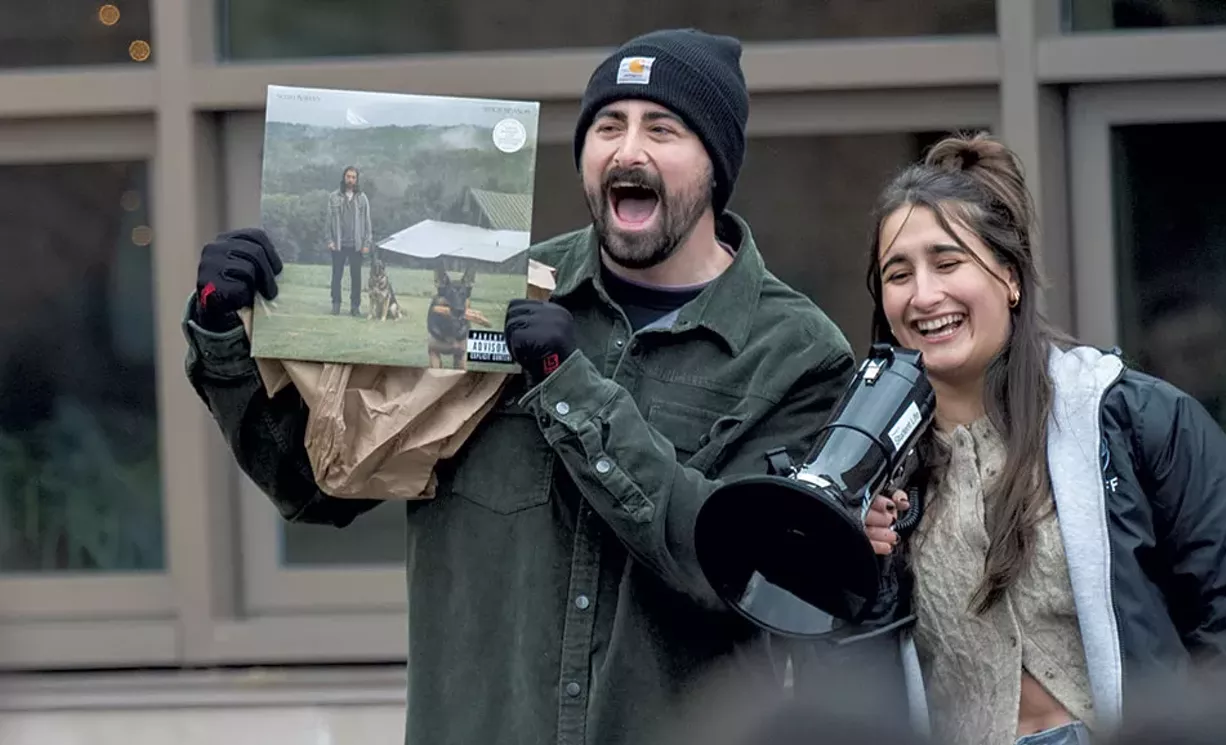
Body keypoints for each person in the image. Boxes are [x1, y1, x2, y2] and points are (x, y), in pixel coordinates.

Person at [183, 28, 857, 745]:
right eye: (608, 126)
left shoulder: (797, 356)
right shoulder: (484, 295)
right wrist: (224, 334)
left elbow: (740, 569)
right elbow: (317, 484)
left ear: (716, 166)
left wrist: (568, 384)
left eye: (663, 129)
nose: (628, 151)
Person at [859, 132, 1226, 745]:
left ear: (1009, 277)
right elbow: (844, 680)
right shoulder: (872, 467)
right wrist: (861, 567)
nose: (924, 294)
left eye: (948, 262)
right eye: (898, 274)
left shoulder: (1139, 422)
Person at [325, 165, 372, 316]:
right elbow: (328, 221)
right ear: (344, 178)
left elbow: (367, 222)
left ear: (356, 180)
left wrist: (366, 243)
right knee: (336, 276)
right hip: (338, 243)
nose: (350, 180)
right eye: (348, 177)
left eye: (353, 177)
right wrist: (329, 240)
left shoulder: (362, 198)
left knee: (356, 277)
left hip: (357, 244)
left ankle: (355, 307)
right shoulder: (334, 197)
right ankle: (336, 304)